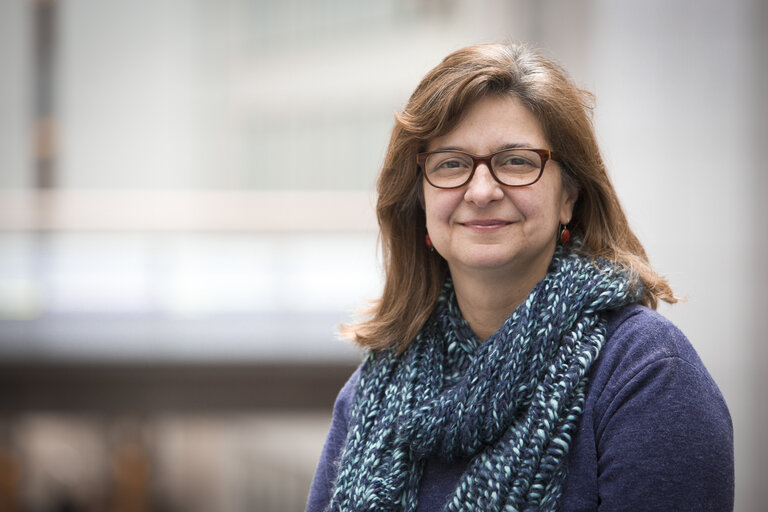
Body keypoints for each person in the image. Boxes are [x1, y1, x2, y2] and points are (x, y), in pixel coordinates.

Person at [305, 42, 734, 511]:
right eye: (451, 163)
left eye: (516, 161)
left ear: (568, 195)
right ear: (420, 200)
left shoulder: (647, 374)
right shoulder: (372, 393)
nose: (482, 190)